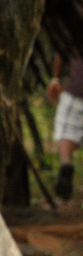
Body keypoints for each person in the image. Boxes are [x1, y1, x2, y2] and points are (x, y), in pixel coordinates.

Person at [47, 53, 83, 200]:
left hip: (76, 91)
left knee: (65, 131)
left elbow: (61, 50)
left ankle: (66, 162)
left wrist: (56, 78)